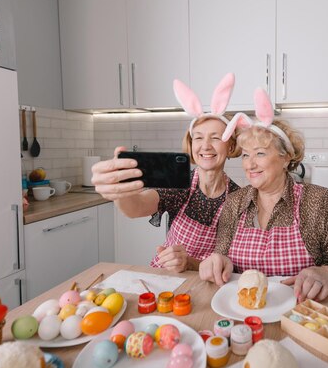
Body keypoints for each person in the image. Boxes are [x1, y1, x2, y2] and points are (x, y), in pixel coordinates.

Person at [199, 88, 328, 302]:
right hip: (246, 311)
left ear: (286, 158)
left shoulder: (316, 200)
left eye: (260, 153)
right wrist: (217, 263)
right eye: (246, 155)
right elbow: (220, 256)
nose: (250, 164)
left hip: (302, 314)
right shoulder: (235, 202)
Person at [92, 73, 241, 273]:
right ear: (191, 144)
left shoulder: (238, 197)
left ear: (230, 145)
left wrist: (188, 262)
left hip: (211, 282)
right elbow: (137, 207)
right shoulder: (180, 184)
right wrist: (121, 191)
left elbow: (233, 261)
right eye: (198, 138)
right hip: (168, 277)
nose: (205, 146)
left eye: (215, 138)